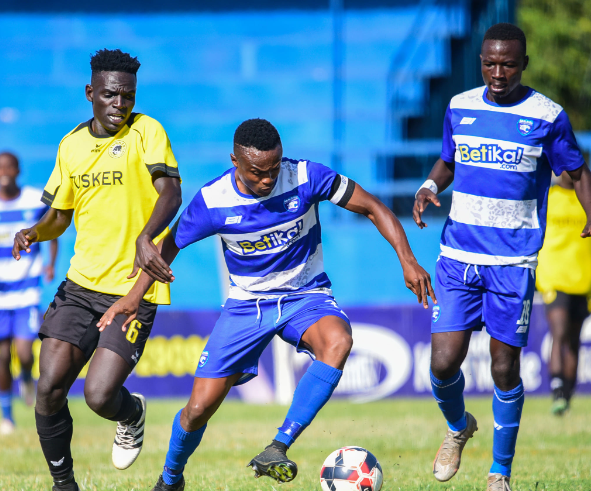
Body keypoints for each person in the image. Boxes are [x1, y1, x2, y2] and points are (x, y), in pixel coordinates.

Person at [98, 118, 436, 491]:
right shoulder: (213, 201)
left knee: (338, 341)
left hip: (305, 295)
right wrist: (133, 296)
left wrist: (407, 259)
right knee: (197, 410)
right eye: (258, 172)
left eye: (274, 168)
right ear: (234, 161)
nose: (268, 178)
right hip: (246, 305)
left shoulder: (306, 176)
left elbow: (372, 206)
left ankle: (278, 446)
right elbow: (169, 245)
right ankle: (170, 479)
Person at [412, 23, 591, 491]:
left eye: (508, 64)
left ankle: (500, 474)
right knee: (443, 362)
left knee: (503, 367)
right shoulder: (460, 106)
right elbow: (449, 160)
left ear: (523, 64)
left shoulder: (547, 115)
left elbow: (577, 169)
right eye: (490, 63)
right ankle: (457, 429)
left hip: (513, 261)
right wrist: (431, 185)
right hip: (457, 254)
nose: (498, 72)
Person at [12, 49, 182, 491]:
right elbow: (60, 216)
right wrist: (34, 231)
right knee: (48, 387)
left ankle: (132, 413)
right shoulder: (71, 145)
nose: (119, 105)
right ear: (91, 93)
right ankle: (63, 484)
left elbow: (170, 195)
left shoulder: (147, 132)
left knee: (98, 395)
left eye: (127, 96)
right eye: (110, 95)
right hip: (79, 286)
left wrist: (146, 238)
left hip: (132, 291)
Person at [0, 151, 58, 435]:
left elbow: (53, 228)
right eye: (1, 167)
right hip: (1, 295)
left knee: (23, 352)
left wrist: (50, 263)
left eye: (9, 166)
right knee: (0, 357)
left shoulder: (33, 199)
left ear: (18, 170)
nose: (5, 172)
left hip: (26, 292)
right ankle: (6, 416)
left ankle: (25, 374)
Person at [536, 171, 591, 415]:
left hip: (583, 279)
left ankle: (566, 396)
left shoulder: (587, 198)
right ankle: (557, 387)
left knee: (574, 340)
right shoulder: (548, 196)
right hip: (554, 277)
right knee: (559, 331)